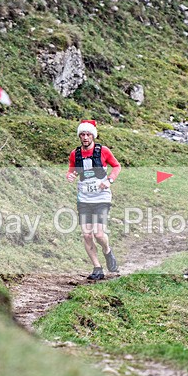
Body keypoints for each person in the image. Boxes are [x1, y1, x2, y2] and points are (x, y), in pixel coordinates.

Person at [66, 119, 121, 280]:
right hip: (84, 199)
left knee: (98, 233)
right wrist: (71, 175)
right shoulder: (75, 154)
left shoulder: (103, 151)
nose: (85, 137)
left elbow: (116, 166)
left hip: (102, 197)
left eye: (88, 134)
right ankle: (97, 267)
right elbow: (72, 169)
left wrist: (109, 180)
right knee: (87, 235)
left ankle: (107, 251)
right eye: (82, 134)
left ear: (93, 136)